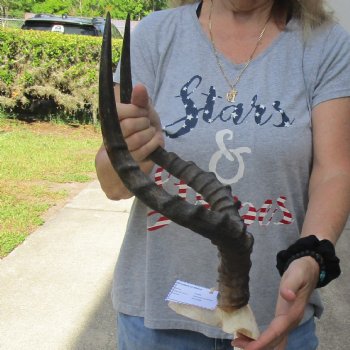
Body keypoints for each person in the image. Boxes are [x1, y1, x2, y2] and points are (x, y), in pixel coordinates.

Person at [95, 0, 350, 349]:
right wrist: (134, 154)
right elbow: (112, 184)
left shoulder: (325, 44)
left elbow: (334, 170)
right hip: (157, 321)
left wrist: (311, 256)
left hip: (274, 318)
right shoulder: (156, 35)